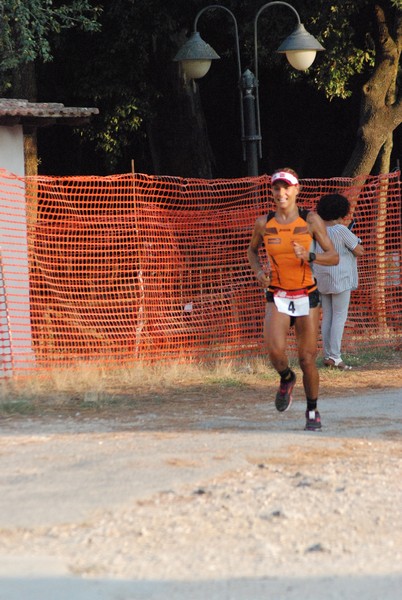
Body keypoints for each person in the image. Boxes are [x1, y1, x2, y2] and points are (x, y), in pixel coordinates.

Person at [247, 168, 339, 431]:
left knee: (307, 358)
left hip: (306, 294)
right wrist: (258, 272)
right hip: (276, 293)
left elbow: (333, 257)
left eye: (286, 187)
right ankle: (286, 379)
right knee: (275, 351)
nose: (281, 192)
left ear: (296, 190)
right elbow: (252, 252)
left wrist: (309, 256)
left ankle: (312, 411)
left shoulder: (310, 220)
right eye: (276, 188)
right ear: (272, 192)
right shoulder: (264, 223)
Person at [314, 193, 364, 370]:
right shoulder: (342, 230)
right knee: (339, 317)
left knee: (327, 316)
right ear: (341, 212)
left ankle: (328, 355)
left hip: (322, 278)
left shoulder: (316, 230)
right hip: (341, 278)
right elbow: (358, 250)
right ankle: (335, 357)